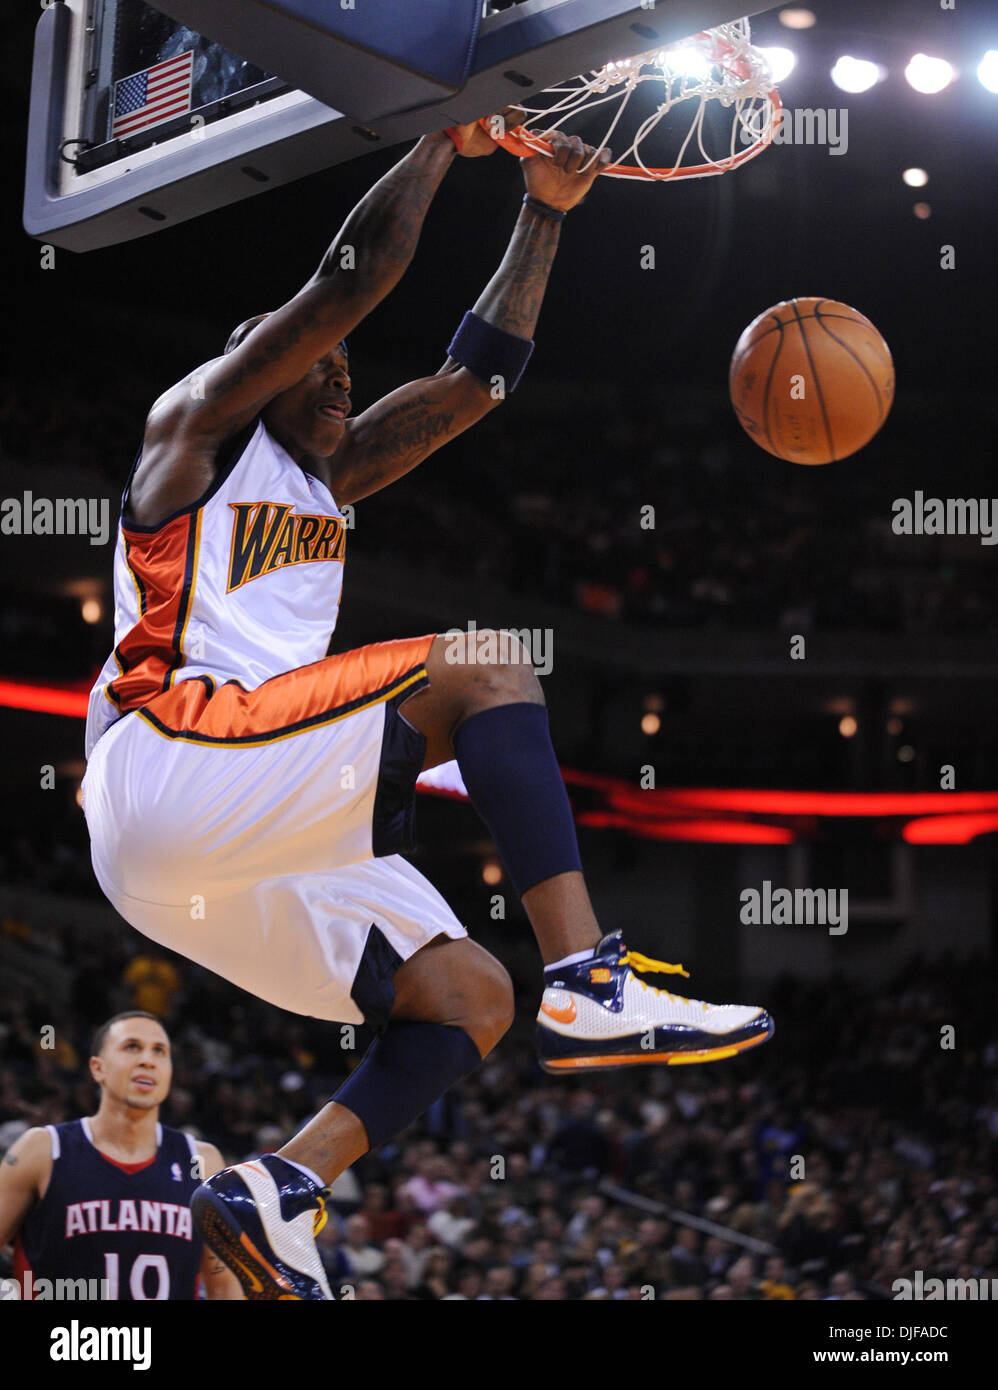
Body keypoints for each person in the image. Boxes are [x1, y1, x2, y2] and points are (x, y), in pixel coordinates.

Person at [80, 113, 773, 1300]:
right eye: (320, 361)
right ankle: (590, 979)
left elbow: (478, 380)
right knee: (488, 664)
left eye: (349, 366)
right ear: (250, 372)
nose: (343, 373)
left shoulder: (329, 482)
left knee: (467, 993)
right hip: (170, 750)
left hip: (215, 843)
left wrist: (545, 209)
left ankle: (278, 1189)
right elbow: (351, 279)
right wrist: (441, 138)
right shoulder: (189, 441)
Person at [0, 1011, 241, 1300]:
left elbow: (224, 1286)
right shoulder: (41, 1150)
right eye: (132, 1047)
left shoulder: (200, 1162)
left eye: (160, 1051)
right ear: (97, 1068)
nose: (147, 1060)